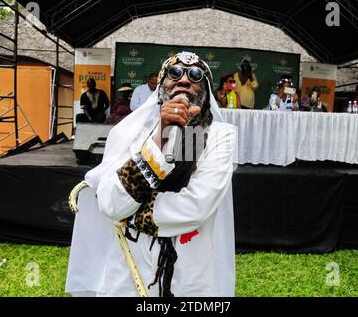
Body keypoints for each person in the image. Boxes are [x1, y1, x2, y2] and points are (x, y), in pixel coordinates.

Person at [66, 51, 237, 297]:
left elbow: (197, 206)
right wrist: (159, 136)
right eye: (174, 73)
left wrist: (132, 215)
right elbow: (111, 203)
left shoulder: (220, 135)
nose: (184, 80)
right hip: (129, 266)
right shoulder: (129, 132)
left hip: (189, 267)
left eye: (195, 75)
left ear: (206, 90)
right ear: (160, 86)